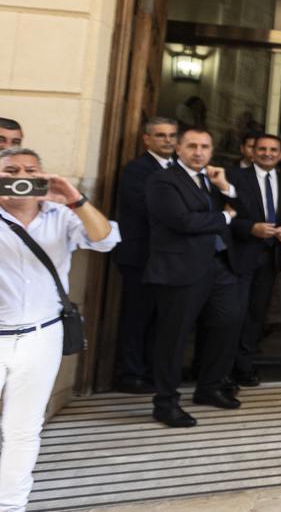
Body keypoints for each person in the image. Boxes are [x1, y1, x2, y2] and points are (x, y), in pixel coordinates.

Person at [0, 147, 119, 509]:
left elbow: (106, 239)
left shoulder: (60, 216)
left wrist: (75, 198)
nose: (21, 175)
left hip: (42, 335)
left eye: (30, 169)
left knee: (22, 428)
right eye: (11, 170)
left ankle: (10, 504)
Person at [144, 127, 243, 427]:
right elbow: (182, 221)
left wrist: (226, 188)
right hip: (180, 268)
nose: (198, 152)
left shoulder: (211, 181)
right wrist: (225, 217)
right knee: (174, 336)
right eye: (191, 146)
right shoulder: (162, 180)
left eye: (204, 146)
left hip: (218, 265)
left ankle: (210, 387)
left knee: (228, 321)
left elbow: (243, 210)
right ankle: (165, 402)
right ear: (179, 149)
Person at [112, 117, 177, 394]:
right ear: (147, 139)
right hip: (140, 255)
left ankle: (152, 370)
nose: (168, 141)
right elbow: (146, 208)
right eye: (161, 136)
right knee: (137, 317)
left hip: (168, 259)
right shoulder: (136, 169)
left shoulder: (181, 169)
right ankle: (130, 373)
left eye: (172, 136)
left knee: (161, 318)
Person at [227, 134, 281, 387]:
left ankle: (244, 366)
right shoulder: (235, 178)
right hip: (240, 255)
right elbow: (223, 215)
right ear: (252, 151)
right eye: (262, 149)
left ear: (280, 153)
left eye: (273, 149)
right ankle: (224, 368)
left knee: (256, 314)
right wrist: (250, 228)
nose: (267, 153)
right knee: (234, 314)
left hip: (270, 257)